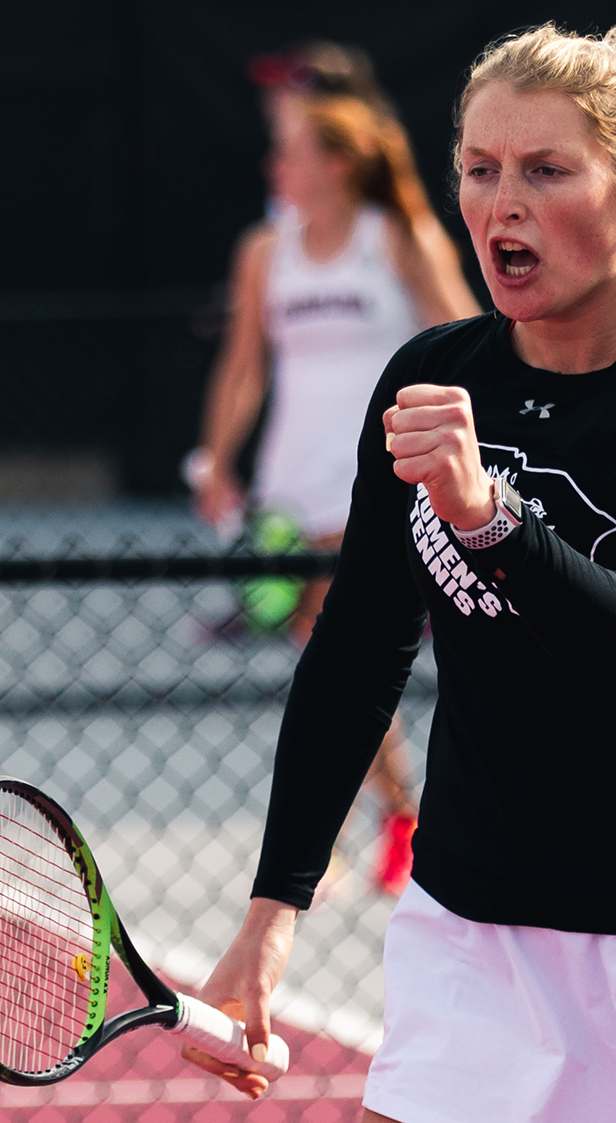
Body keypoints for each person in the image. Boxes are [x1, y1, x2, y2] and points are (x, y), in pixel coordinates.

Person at [184, 23, 616, 1123]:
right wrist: (271, 910)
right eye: (478, 169)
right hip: (480, 929)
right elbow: (355, 650)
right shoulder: (428, 377)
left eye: (544, 170)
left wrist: (486, 517)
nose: (499, 203)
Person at [191, 67, 480, 894]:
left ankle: (371, 830)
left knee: (340, 664)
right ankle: (398, 816)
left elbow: (469, 336)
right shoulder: (263, 252)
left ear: (338, 162)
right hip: (292, 489)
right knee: (333, 669)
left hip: (381, 484)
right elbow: (244, 366)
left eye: (289, 151)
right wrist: (217, 458)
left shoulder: (399, 238)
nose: (273, 167)